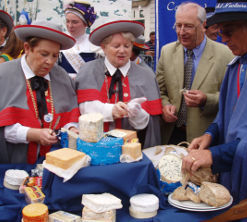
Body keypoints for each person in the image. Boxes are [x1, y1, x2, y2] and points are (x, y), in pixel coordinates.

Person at [182, 0, 247, 220]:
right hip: (233, 176)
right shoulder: (237, 64)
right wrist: (210, 134)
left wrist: (213, 155)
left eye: (229, 32)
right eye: (220, 33)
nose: (223, 39)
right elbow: (227, 117)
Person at [0, 20, 80, 171]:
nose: (49, 62)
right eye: (44, 54)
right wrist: (31, 134)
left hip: (53, 165)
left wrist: (72, 129)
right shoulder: (0, 75)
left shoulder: (61, 76)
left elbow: (69, 116)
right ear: (27, 48)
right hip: (11, 164)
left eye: (55, 56)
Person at [76, 20, 162, 148]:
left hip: (132, 149)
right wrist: (112, 110)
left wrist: (137, 114)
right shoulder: (88, 70)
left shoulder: (146, 75)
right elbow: (84, 109)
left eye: (127, 46)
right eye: (116, 46)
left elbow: (149, 124)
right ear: (104, 47)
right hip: (94, 147)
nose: (122, 51)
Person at [156, 2, 233, 145]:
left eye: (188, 26)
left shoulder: (225, 55)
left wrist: (206, 100)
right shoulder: (166, 52)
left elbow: (232, 98)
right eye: (178, 25)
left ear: (204, 25)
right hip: (171, 134)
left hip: (205, 138)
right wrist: (165, 106)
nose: (182, 32)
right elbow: (159, 91)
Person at [59, 0, 98, 78]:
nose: (70, 26)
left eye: (75, 22)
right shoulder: (60, 41)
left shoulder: (94, 44)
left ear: (85, 24)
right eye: (67, 21)